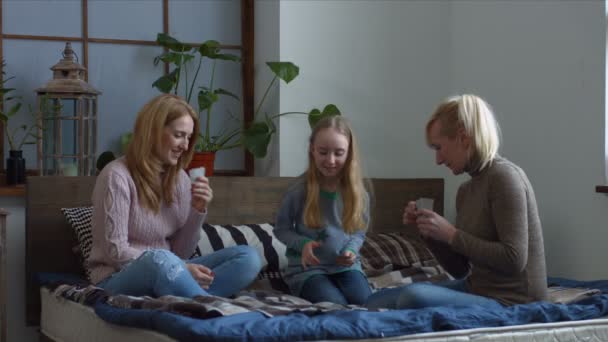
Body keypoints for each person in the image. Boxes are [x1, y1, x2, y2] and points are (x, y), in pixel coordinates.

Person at [366, 94, 547, 309]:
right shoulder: (465, 190)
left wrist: (451, 234)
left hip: (514, 301)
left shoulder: (505, 177)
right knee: (373, 301)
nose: (438, 160)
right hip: (477, 289)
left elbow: (514, 259)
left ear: (464, 138)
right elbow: (460, 269)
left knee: (412, 297)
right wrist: (431, 234)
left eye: (439, 148)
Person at [88, 93, 262, 298]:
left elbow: (181, 254)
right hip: (117, 277)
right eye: (179, 135)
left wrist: (197, 210)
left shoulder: (180, 179)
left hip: (172, 270)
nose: (186, 146)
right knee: (159, 260)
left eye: (188, 137)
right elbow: (116, 253)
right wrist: (177, 266)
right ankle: (201, 302)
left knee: (248, 258)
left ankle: (184, 294)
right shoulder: (116, 176)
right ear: (152, 132)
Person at [274, 115, 372, 305]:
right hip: (308, 269)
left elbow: (359, 231)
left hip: (345, 268)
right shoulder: (299, 190)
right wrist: (302, 244)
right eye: (323, 152)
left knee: (365, 302)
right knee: (334, 304)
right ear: (312, 150)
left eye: (339, 153)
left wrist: (351, 249)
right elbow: (281, 229)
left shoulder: (358, 193)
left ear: (349, 153)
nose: (331, 160)